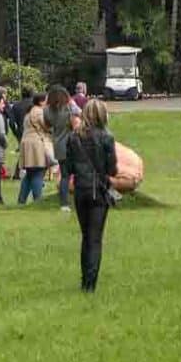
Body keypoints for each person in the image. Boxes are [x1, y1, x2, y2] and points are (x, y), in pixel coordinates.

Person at [62, 98, 119, 292]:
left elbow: (68, 167)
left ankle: (85, 279)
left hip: (80, 190)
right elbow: (112, 169)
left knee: (86, 236)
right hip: (98, 191)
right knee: (95, 238)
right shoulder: (106, 137)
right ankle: (90, 283)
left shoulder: (73, 137)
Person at [17, 93, 54, 205]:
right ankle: (38, 200)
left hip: (27, 144)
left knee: (29, 174)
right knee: (38, 172)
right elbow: (47, 126)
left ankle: (21, 200)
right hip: (36, 145)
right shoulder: (39, 112)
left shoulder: (29, 113)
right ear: (42, 102)